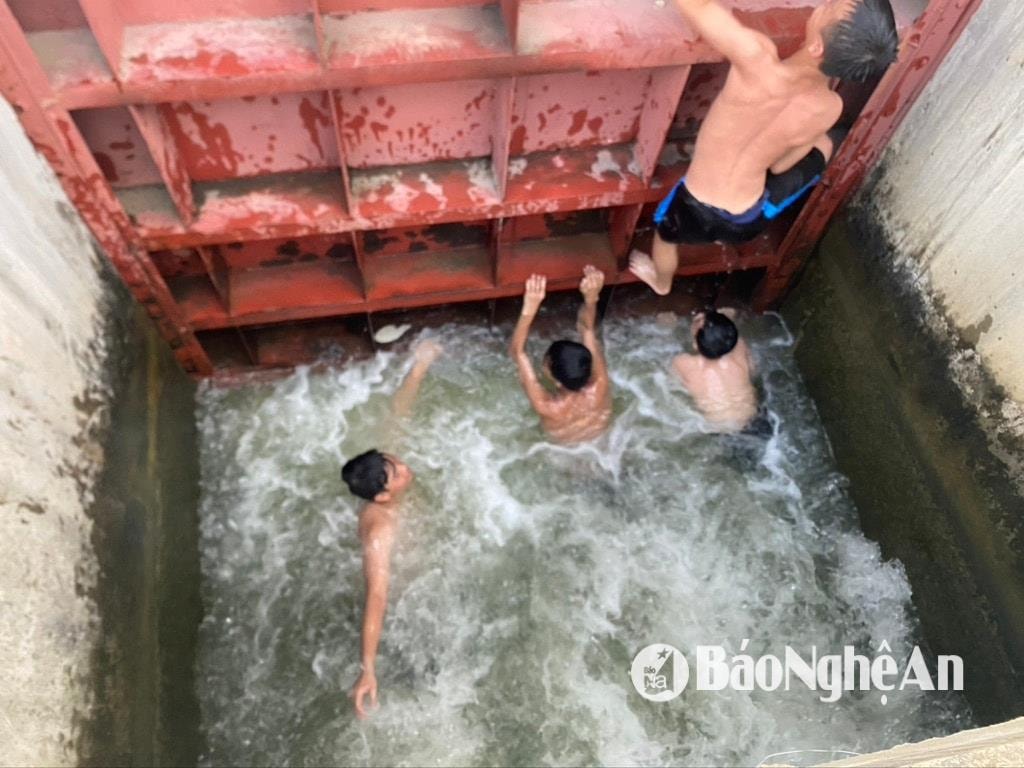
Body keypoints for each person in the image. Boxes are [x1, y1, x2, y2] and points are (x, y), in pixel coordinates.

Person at [630, 0, 898, 295]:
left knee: (666, 236)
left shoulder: (756, 58)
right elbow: (780, 166)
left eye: (830, 6)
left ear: (816, 47)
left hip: (693, 207)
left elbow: (699, 8)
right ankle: (816, 177)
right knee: (823, 142)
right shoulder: (829, 107)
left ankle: (662, 283)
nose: (825, 3)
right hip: (747, 222)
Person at [340, 338, 442, 719]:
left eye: (394, 461)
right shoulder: (379, 530)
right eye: (396, 474)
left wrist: (420, 365)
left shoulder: (383, 469)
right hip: (407, 606)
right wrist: (368, 667)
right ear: (381, 496)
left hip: (425, 580)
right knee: (430, 677)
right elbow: (378, 593)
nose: (404, 468)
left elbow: (399, 413)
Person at [509, 265, 612, 444]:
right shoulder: (600, 385)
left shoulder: (548, 407)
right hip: (599, 446)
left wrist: (529, 309)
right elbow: (587, 329)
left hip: (563, 453)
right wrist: (591, 298)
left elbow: (517, 352)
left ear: (554, 377)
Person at [673, 309, 759, 432]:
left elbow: (671, 384)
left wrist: (669, 326)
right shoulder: (740, 346)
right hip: (753, 418)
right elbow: (753, 371)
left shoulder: (682, 362)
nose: (700, 315)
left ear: (695, 345)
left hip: (717, 428)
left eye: (698, 321)